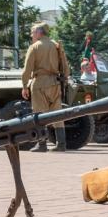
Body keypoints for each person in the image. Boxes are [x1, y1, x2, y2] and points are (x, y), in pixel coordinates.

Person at [21, 22, 70, 152]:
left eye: (32, 32)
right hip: (55, 83)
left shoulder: (35, 47)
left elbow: (27, 69)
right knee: (57, 114)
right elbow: (65, 66)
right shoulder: (56, 45)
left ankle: (42, 144)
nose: (31, 35)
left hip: (40, 83)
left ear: (38, 32)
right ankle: (61, 144)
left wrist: (25, 85)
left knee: (39, 115)